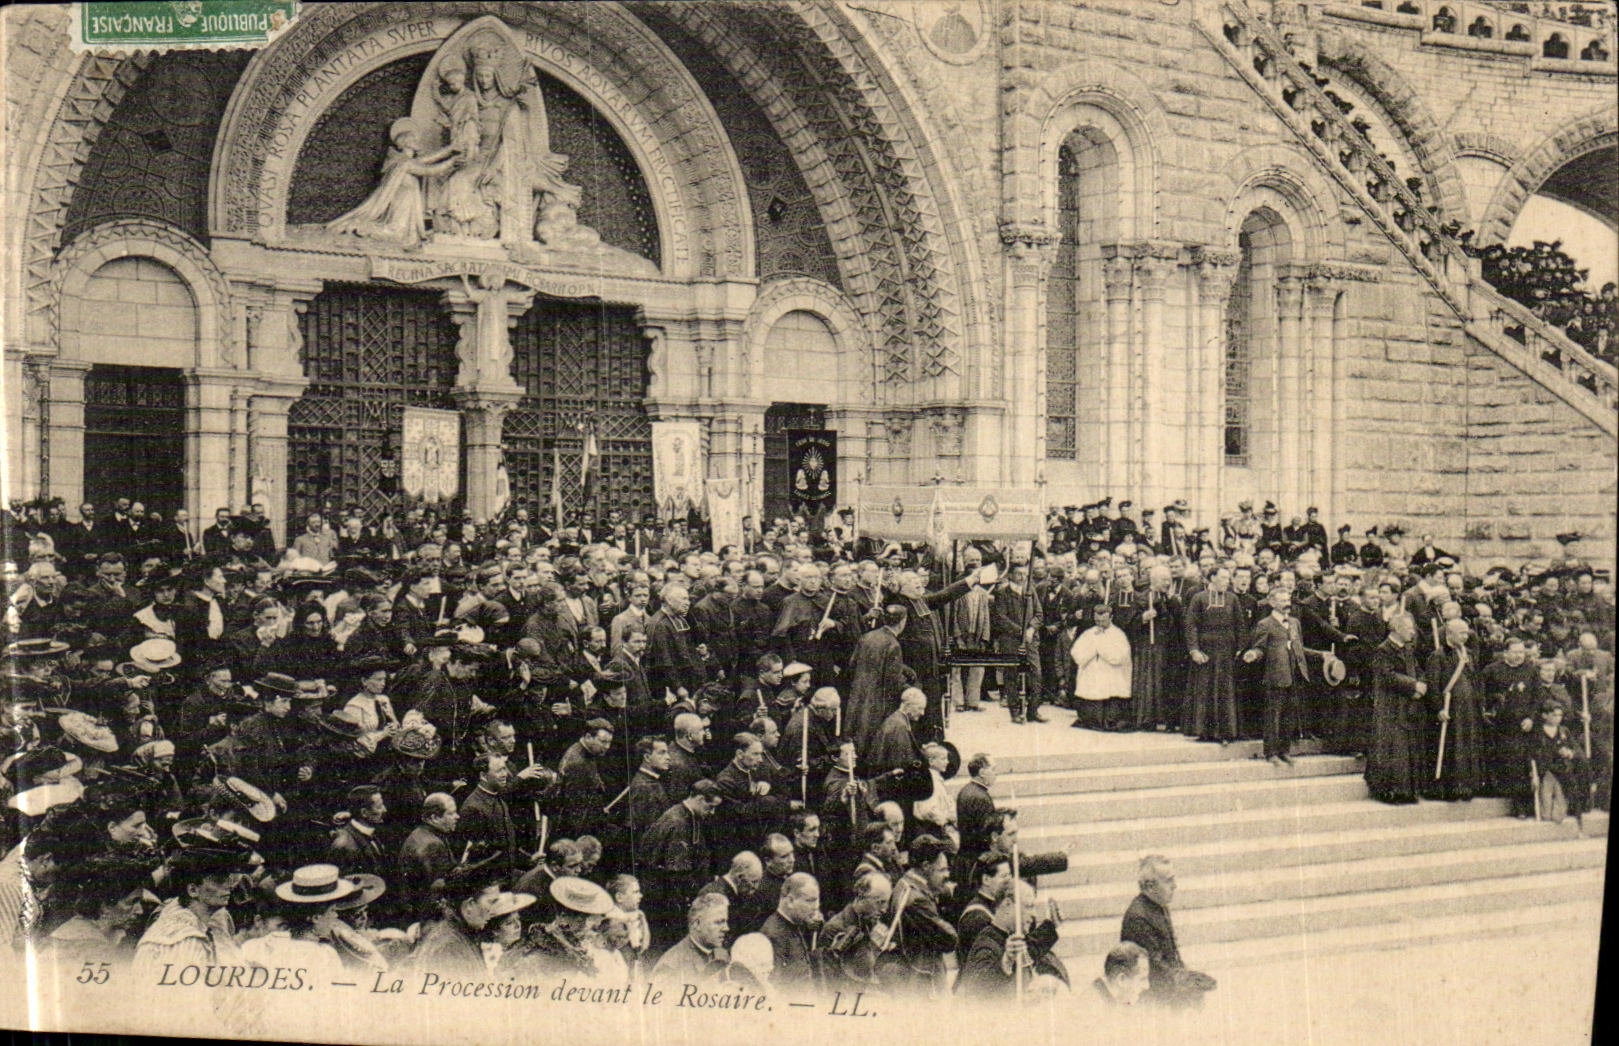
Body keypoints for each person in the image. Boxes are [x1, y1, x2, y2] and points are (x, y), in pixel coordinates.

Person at [1119, 855, 1215, 1007]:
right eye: (1169, 880)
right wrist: (1187, 980)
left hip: (1167, 988)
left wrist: (1187, 974)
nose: (1175, 885)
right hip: (1152, 998)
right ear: (1150, 887)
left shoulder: (1158, 905)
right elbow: (1153, 970)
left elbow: (1171, 955)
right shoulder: (1139, 918)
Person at [873, 834, 956, 995]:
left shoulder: (904, 884)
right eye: (942, 869)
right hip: (922, 982)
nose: (947, 875)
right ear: (925, 866)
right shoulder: (917, 900)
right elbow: (949, 939)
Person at [1242, 589, 1310, 765]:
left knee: (1290, 714)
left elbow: (1299, 647)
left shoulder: (1295, 623)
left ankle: (1284, 750)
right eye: (1281, 600)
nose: (1286, 603)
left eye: (1287, 599)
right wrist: (1253, 654)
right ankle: (1271, 752)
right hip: (1276, 675)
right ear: (1272, 603)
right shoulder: (1265, 624)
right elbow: (1260, 647)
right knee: (1274, 715)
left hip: (1294, 673)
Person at [1367, 613, 1426, 804]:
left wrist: (1421, 685)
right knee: (1393, 748)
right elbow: (1387, 675)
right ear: (1397, 629)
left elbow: (1418, 670)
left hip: (1407, 705)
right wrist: (1413, 685)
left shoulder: (1408, 649)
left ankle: (1408, 791)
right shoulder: (1383, 650)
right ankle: (1389, 791)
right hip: (1390, 707)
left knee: (1407, 748)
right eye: (1409, 628)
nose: (1412, 632)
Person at [845, 605, 909, 764]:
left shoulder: (867, 637)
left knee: (857, 738)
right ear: (902, 622)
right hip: (877, 703)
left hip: (858, 696)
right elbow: (893, 681)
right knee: (871, 743)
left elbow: (852, 664)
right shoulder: (893, 644)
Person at [397, 793, 459, 924]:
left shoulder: (421, 833)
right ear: (435, 818)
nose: (457, 817)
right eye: (451, 813)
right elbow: (438, 888)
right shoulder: (433, 845)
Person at [650, 891, 732, 985]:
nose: (726, 928)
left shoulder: (722, 954)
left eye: (725, 922)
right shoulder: (671, 966)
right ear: (697, 924)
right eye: (718, 922)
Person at [759, 871, 823, 990]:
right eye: (810, 901)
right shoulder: (774, 935)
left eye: (817, 900)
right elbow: (777, 987)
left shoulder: (795, 922)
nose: (816, 907)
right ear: (790, 901)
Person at [1072, 604, 1131, 730]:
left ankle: (1108, 721)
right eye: (1097, 621)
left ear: (1111, 618)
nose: (1099, 624)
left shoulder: (1118, 635)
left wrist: (1100, 647)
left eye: (1103, 621)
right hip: (1091, 675)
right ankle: (1090, 720)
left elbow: (1119, 657)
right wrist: (1092, 650)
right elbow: (1076, 652)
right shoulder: (1089, 633)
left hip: (1111, 676)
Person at [1092, 941, 1153, 1006]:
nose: (1147, 986)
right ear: (1122, 979)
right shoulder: (1094, 1006)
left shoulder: (1106, 999)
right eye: (1142, 979)